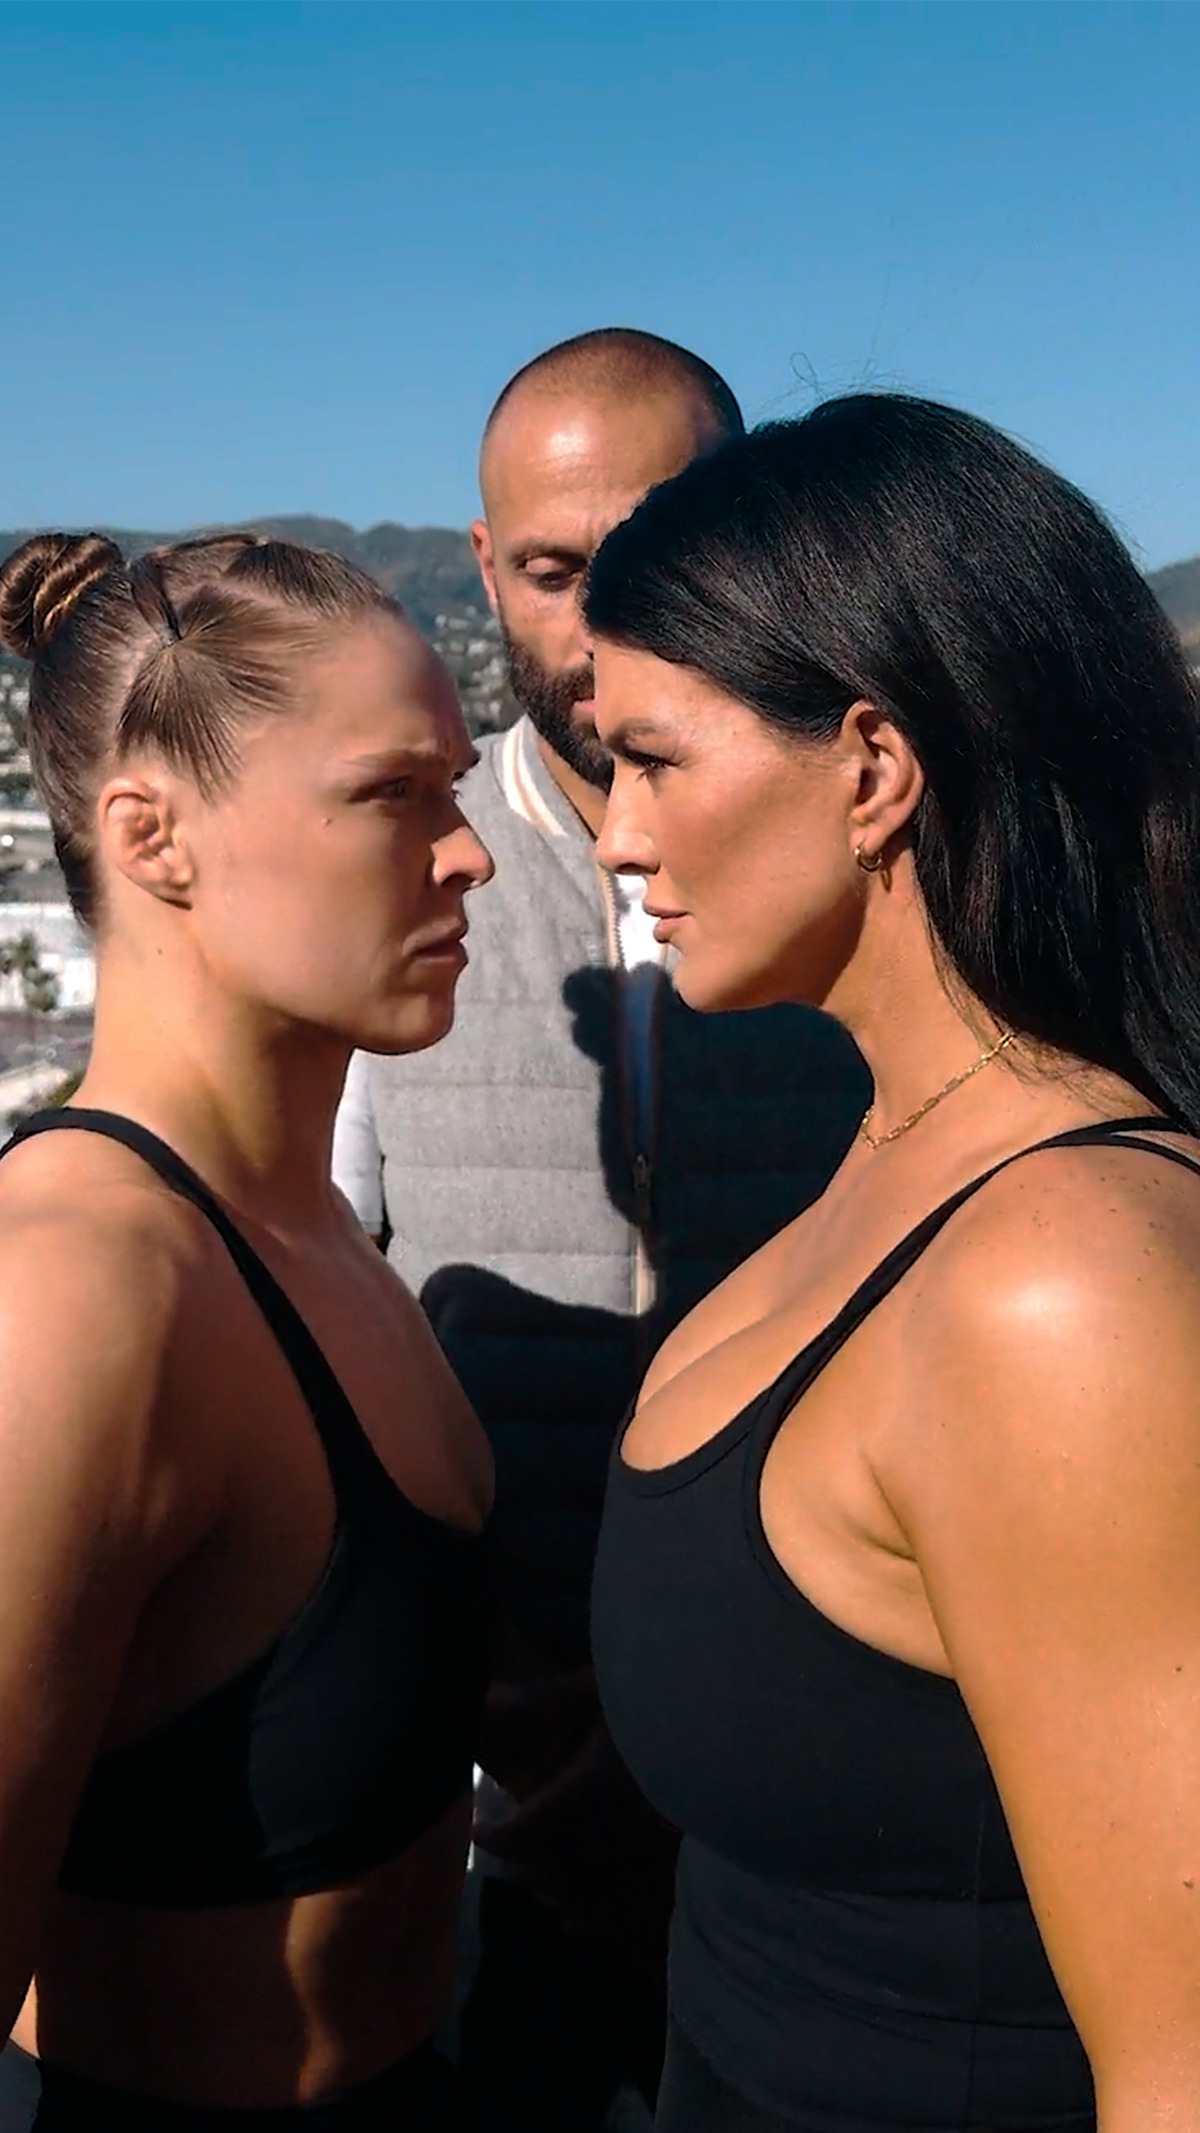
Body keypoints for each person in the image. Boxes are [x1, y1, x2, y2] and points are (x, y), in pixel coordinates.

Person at [586, 390, 1200, 2132]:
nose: (617, 835)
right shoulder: (898, 1150)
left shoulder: (1063, 1281)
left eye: (654, 758)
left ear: (872, 767)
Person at [332, 329, 870, 2130]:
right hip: (492, 1808)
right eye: (555, 570)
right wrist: (500, 1705)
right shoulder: (382, 885)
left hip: (814, 1792)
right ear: (487, 572)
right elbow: (319, 1323)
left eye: (660, 548)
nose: (602, 620)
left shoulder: (897, 876)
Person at [0, 529, 495, 2130]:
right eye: (392, 793)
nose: (468, 854)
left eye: (455, 786)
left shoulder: (312, 1234)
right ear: (153, 836)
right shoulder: (76, 1294)